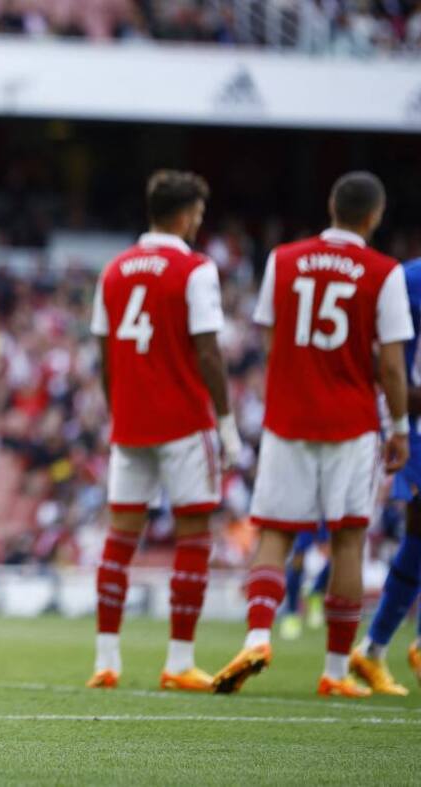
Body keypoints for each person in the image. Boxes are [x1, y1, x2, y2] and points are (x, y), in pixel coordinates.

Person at [213, 171, 413, 698]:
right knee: (348, 539)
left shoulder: (283, 260)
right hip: (351, 421)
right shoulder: (384, 272)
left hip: (288, 418)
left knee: (275, 532)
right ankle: (334, 671)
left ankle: (258, 636)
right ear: (375, 215)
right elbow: (393, 364)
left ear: (331, 205)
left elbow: (271, 340)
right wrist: (398, 428)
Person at [87, 170, 242, 691]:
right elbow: (209, 351)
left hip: (131, 423)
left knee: (119, 540)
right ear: (185, 215)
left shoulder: (114, 270)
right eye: (198, 214)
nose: (199, 223)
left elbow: (105, 355)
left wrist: (118, 412)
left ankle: (106, 661)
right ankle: (179, 661)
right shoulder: (195, 269)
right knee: (194, 537)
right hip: (184, 422)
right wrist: (226, 422)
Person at [348, 254, 421, 695]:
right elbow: (384, 365)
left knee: (418, 536)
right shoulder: (408, 280)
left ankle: (374, 648)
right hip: (414, 422)